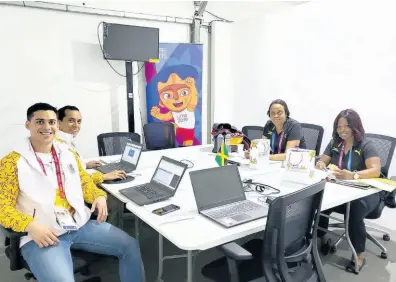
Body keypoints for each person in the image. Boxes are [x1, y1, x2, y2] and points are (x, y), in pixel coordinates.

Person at [0, 103, 143, 281]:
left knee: (129, 246)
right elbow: (3, 207)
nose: (47, 127)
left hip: (77, 225)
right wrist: (31, 226)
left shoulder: (67, 152)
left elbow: (84, 181)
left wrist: (98, 196)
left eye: (51, 122)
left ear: (57, 126)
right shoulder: (11, 163)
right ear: (28, 124)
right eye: (40, 121)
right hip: (43, 235)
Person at [316, 109, 381, 273]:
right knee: (320, 200)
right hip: (341, 190)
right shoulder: (334, 143)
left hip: (367, 192)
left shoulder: (366, 145)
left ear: (355, 127)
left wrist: (353, 175)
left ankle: (359, 254)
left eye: (346, 126)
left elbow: (375, 170)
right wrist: (321, 164)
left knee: (355, 209)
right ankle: (321, 237)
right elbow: (322, 160)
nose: (342, 130)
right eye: (339, 126)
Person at [57, 105, 126, 184]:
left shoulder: (66, 140)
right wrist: (103, 176)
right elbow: (72, 179)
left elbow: (71, 167)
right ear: (58, 122)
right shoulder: (58, 145)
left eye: (79, 121)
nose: (76, 125)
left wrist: (84, 164)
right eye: (71, 120)